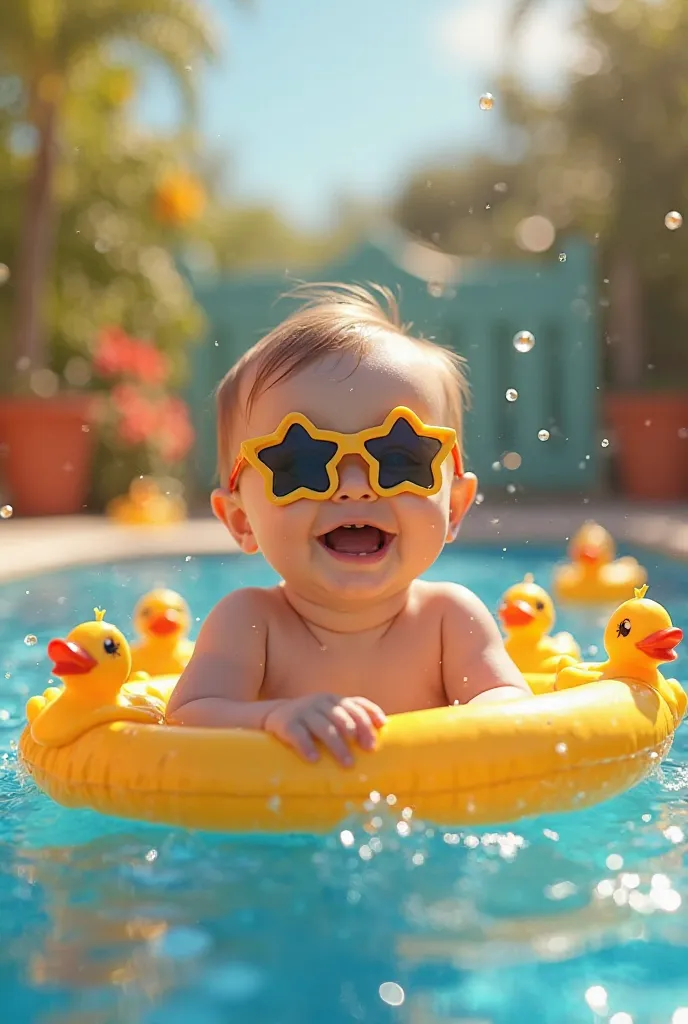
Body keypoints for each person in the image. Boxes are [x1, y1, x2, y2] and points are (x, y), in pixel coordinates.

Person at [166, 285, 530, 763]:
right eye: (303, 462)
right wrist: (271, 718)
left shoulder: (449, 620)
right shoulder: (250, 624)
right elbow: (187, 716)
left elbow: (513, 712)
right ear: (241, 521)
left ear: (455, 507)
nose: (355, 486)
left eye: (399, 457)